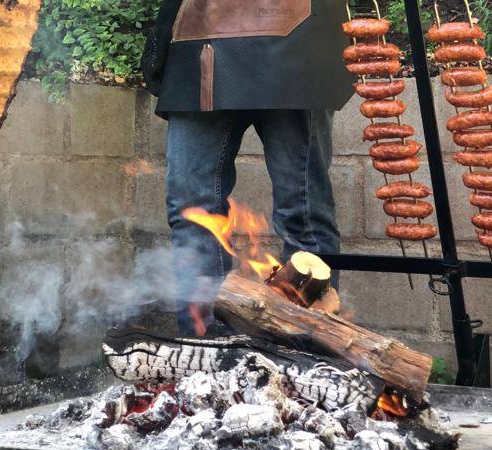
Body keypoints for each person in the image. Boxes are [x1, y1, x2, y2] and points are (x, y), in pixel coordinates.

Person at [142, 0, 354, 335]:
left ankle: (307, 348)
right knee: (191, 211)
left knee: (305, 214)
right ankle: (203, 344)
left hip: (299, 37)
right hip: (197, 37)